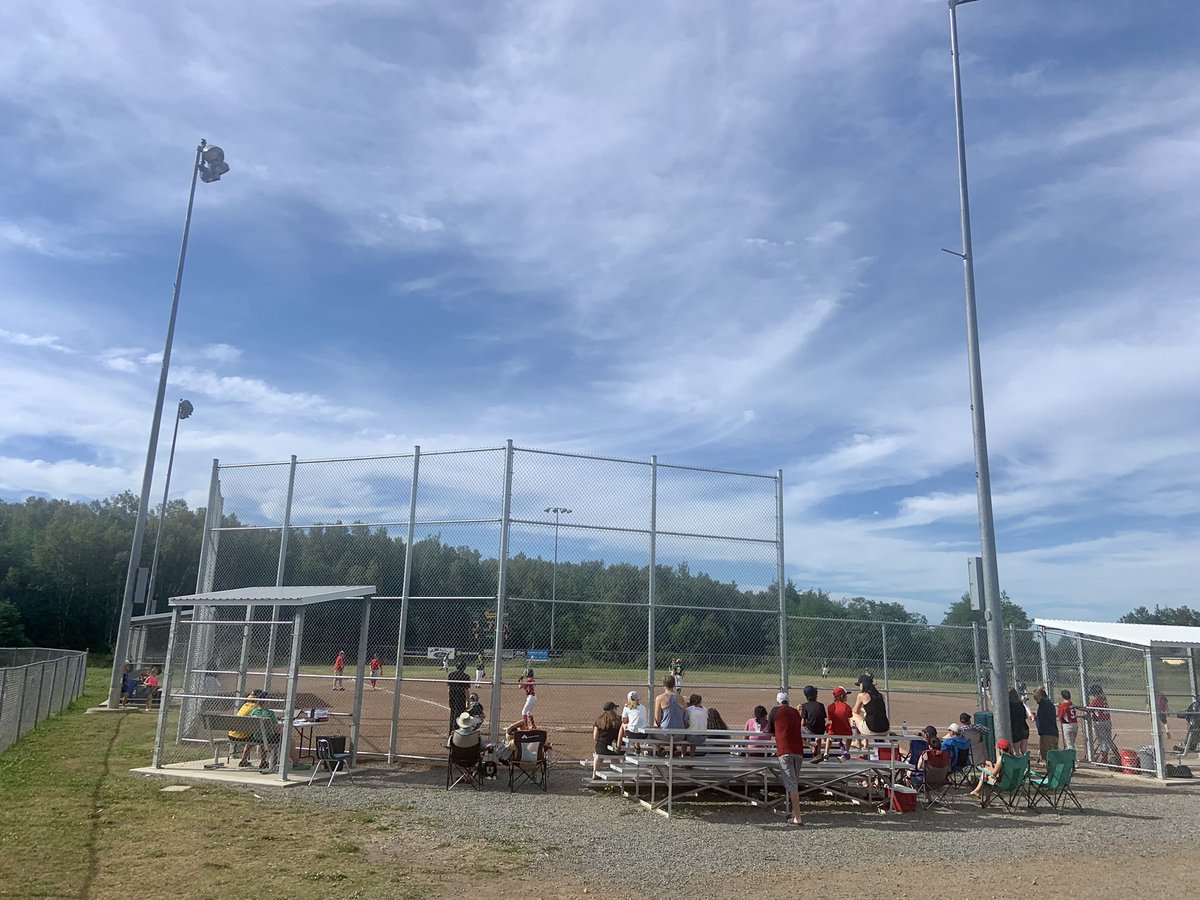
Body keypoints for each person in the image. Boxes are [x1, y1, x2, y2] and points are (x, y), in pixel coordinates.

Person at [770, 691, 805, 826]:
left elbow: (770, 729)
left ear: (778, 702)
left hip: (784, 751)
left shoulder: (775, 711)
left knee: (792, 785)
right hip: (798, 751)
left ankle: (798, 817)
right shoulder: (795, 713)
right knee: (793, 782)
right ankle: (795, 813)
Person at [229, 689, 278, 769]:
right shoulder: (267, 712)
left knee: (253, 739)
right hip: (258, 737)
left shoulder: (249, 707)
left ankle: (243, 760)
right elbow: (275, 727)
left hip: (242, 735)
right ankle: (263, 761)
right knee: (264, 737)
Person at [851, 674, 890, 744]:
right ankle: (865, 743)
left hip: (872, 730)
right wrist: (863, 710)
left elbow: (855, 711)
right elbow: (873, 710)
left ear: (863, 685)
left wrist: (858, 710)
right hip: (885, 729)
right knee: (867, 716)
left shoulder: (862, 695)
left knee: (852, 715)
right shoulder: (879, 695)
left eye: (859, 684)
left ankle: (857, 741)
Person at [1088, 683, 1118, 762]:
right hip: (1107, 721)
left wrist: (1077, 707)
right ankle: (1117, 755)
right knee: (1109, 739)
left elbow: (1089, 709)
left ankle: (1104, 759)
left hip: (1100, 722)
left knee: (1102, 740)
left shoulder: (1096, 700)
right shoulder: (1104, 699)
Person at [592, 701, 623, 777]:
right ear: (613, 709)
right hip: (616, 749)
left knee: (598, 756)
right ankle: (618, 775)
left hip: (602, 748)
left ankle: (595, 774)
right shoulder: (619, 719)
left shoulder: (599, 720)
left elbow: (595, 738)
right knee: (615, 758)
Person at [825, 686, 854, 759]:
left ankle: (826, 753)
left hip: (834, 731)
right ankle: (847, 750)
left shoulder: (830, 707)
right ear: (842, 696)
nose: (846, 697)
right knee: (850, 733)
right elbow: (849, 717)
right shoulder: (847, 707)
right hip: (846, 731)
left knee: (829, 730)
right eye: (845, 695)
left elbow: (830, 719)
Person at [447, 658, 471, 741]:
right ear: (464, 668)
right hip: (461, 699)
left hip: (452, 698)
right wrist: (468, 702)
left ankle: (451, 734)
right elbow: (466, 690)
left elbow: (449, 688)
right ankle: (459, 735)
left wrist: (449, 698)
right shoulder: (466, 676)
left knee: (453, 716)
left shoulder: (451, 675)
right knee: (460, 717)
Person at [1033, 687, 1059, 761]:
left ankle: (1050, 770)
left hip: (1047, 733)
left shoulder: (1045, 703)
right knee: (1052, 753)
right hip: (1052, 732)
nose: (1036, 700)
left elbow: (1037, 695)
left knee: (1047, 755)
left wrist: (1039, 688)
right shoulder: (1048, 703)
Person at [1008, 687, 1031, 756]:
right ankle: (1026, 765)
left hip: (1015, 730)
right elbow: (1025, 716)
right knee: (1024, 751)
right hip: (1024, 728)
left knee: (1016, 752)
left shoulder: (1009, 705)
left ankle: (1019, 766)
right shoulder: (1020, 704)